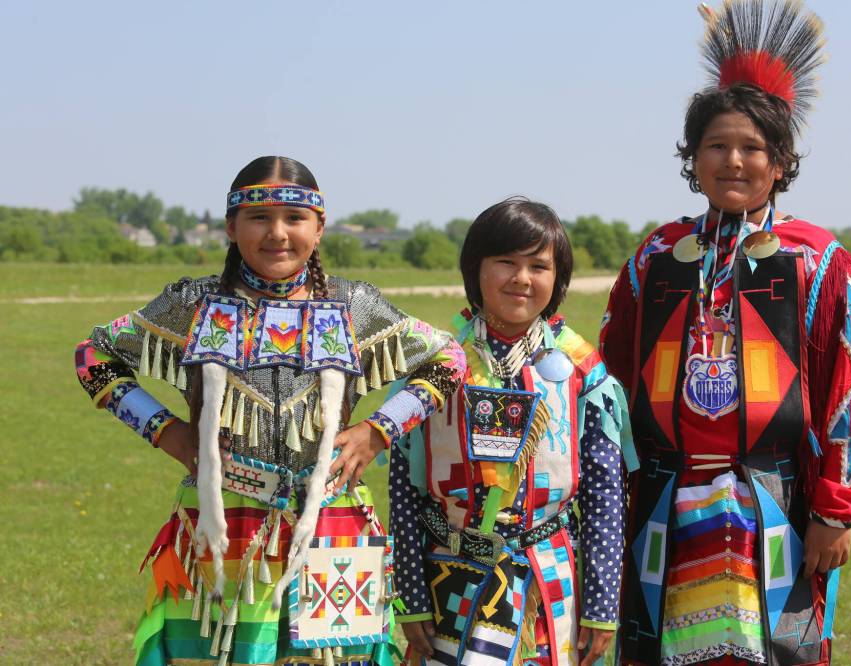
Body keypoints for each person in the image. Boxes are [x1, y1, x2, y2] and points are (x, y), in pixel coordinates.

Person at [74, 156, 466, 666]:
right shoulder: (194, 304)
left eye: (294, 218)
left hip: (332, 525)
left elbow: (448, 358)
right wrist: (167, 432)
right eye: (259, 217)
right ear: (232, 228)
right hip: (221, 528)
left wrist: (378, 431)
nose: (277, 233)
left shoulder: (354, 306)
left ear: (319, 228)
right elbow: (92, 355)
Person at [601, 2, 851, 665]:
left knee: (772, 653)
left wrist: (835, 510)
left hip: (774, 505)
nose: (733, 161)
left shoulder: (818, 263)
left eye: (752, 147)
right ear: (692, 157)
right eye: (716, 145)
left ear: (780, 162)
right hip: (661, 508)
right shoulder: (657, 258)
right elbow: (609, 383)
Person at [389, 198, 638, 666]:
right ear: (475, 269)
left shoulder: (582, 372)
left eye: (538, 266)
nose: (521, 278)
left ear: (557, 278)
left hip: (547, 584)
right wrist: (410, 597)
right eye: (506, 262)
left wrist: (602, 608)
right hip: (449, 580)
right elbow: (405, 487)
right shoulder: (439, 363)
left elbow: (605, 494)